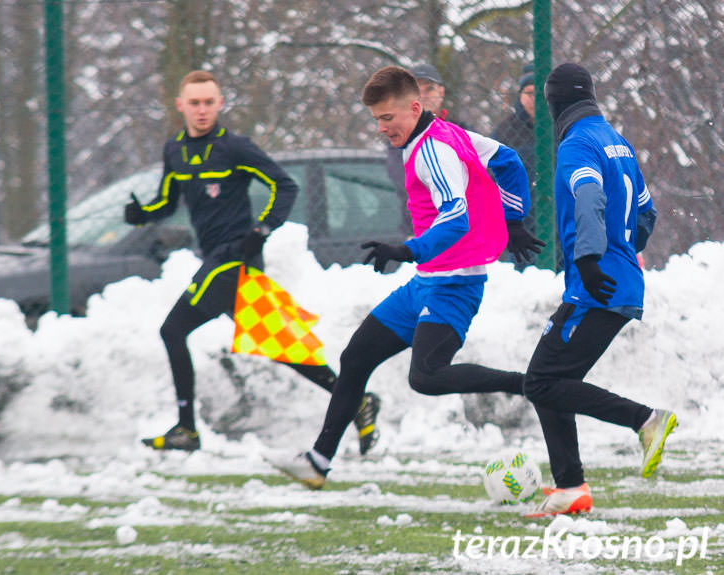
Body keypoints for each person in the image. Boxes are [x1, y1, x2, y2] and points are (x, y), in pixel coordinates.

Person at [266, 66, 543, 489]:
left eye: (387, 118)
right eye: (377, 119)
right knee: (355, 358)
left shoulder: (433, 149)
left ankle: (529, 384)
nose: (382, 128)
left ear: (414, 108)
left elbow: (456, 219)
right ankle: (319, 460)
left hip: (455, 283)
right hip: (426, 282)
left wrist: (406, 249)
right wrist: (514, 218)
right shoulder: (445, 134)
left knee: (427, 377)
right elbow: (508, 160)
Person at [124, 70, 380, 453]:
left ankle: (186, 429)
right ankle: (358, 402)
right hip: (216, 261)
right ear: (181, 105)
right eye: (194, 103)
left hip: (234, 261)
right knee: (281, 346)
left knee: (172, 331)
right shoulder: (174, 149)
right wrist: (141, 214)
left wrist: (262, 230)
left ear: (220, 103)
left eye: (209, 102)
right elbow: (168, 201)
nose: (202, 110)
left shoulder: (235, 148)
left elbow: (284, 185)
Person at [521, 63, 675, 517]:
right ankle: (571, 488)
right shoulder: (617, 142)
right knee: (552, 380)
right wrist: (625, 251)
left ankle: (644, 421)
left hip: (597, 285)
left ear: (553, 104)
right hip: (616, 280)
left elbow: (588, 196)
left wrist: (589, 258)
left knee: (541, 381)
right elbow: (646, 212)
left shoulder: (576, 145)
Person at [387, 63, 456, 235]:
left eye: (429, 89)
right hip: (419, 230)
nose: (423, 96)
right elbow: (408, 183)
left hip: (462, 229)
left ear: (441, 92)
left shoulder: (460, 130)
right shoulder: (397, 137)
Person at [491, 63, 539, 268]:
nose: (534, 99)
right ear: (520, 95)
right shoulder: (506, 131)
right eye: (528, 93)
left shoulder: (561, 127)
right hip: (520, 218)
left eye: (540, 93)